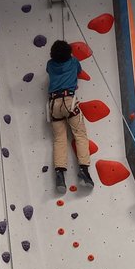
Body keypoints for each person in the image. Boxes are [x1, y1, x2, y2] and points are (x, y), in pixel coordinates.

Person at [46, 40, 94, 194]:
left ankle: (60, 175)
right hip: (69, 102)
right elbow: (78, 71)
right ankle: (84, 171)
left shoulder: (50, 65)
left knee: (59, 139)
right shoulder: (74, 62)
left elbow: (53, 65)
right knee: (80, 135)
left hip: (53, 104)